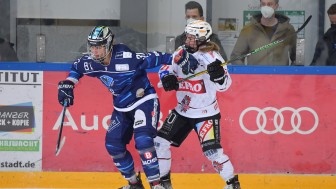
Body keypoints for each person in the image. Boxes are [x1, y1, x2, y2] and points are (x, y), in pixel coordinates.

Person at [57, 26, 172, 189]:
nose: (95, 52)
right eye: (93, 47)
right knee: (113, 145)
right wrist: (68, 83)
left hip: (143, 100)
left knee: (143, 142)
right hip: (121, 107)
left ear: (109, 44)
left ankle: (156, 185)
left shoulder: (126, 57)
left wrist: (181, 60)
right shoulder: (91, 63)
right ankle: (134, 184)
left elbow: (158, 58)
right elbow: (76, 68)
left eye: (99, 47)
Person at [155, 20, 241, 189]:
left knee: (213, 152)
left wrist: (219, 76)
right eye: (187, 37)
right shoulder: (181, 52)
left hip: (205, 113)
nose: (188, 41)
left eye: (192, 38)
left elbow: (224, 86)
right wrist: (166, 78)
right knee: (160, 143)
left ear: (203, 38)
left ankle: (232, 184)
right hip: (182, 111)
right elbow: (165, 67)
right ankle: (164, 184)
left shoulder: (212, 57)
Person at [230, 0, 297, 66]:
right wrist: (246, 74)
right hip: (255, 76)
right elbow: (236, 57)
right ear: (260, 5)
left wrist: (290, 75)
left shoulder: (288, 29)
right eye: (263, 4)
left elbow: (297, 58)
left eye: (269, 4)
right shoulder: (248, 30)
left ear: (276, 6)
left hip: (280, 76)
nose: (266, 7)